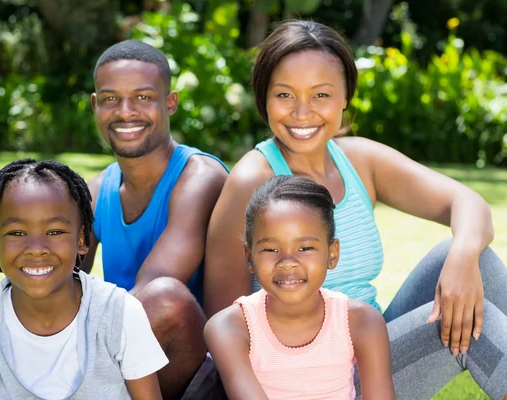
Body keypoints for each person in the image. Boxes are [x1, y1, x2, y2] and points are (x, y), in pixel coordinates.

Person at [204, 20, 507, 399]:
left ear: (345, 96)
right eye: (284, 95)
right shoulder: (253, 181)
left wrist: (463, 256)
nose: (302, 112)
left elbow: (467, 202)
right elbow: (225, 325)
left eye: (320, 95)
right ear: (264, 96)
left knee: (472, 258)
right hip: (321, 377)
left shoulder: (359, 159)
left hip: (372, 348)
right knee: (481, 325)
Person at [0, 40, 228, 400]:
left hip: (167, 355)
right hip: (101, 344)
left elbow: (149, 293)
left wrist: (73, 337)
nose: (126, 111)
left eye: (143, 97)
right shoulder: (98, 188)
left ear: (170, 103)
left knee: (165, 298)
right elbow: (56, 276)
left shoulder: (198, 175)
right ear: (96, 106)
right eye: (111, 99)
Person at [0, 159, 168, 399]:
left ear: (82, 240)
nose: (36, 249)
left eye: (54, 232)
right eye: (17, 233)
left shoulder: (120, 314)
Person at [205, 176, 395, 399]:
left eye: (305, 247)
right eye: (271, 250)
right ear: (249, 257)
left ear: (332, 254)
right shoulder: (229, 327)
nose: (288, 261)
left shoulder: (362, 321)